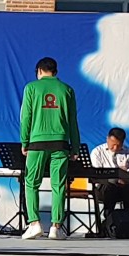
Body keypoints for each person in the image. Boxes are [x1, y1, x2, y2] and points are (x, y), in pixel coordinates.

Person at [20, 57, 81, 240]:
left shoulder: (31, 88)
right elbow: (73, 121)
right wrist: (75, 147)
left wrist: (24, 142)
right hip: (60, 143)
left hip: (37, 142)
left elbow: (26, 118)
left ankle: (34, 224)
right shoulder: (67, 90)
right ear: (56, 71)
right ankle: (56, 227)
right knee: (58, 185)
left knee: (31, 183)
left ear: (39, 70)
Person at [90, 127, 129, 218]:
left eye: (118, 145)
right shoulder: (97, 152)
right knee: (110, 188)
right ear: (107, 139)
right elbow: (97, 173)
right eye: (113, 144)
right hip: (103, 187)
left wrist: (128, 180)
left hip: (123, 187)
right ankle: (109, 218)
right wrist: (115, 177)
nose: (115, 148)